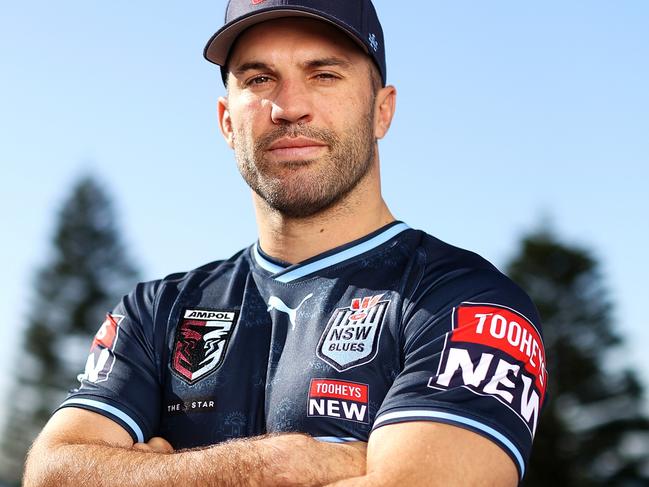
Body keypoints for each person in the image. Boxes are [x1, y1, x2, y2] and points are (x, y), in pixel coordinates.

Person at [24, 1, 547, 485]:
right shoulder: (156, 311)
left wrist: (154, 474)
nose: (289, 107)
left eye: (323, 74)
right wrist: (280, 464)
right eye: (259, 78)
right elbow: (51, 472)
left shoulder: (464, 301)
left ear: (382, 111)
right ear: (228, 122)